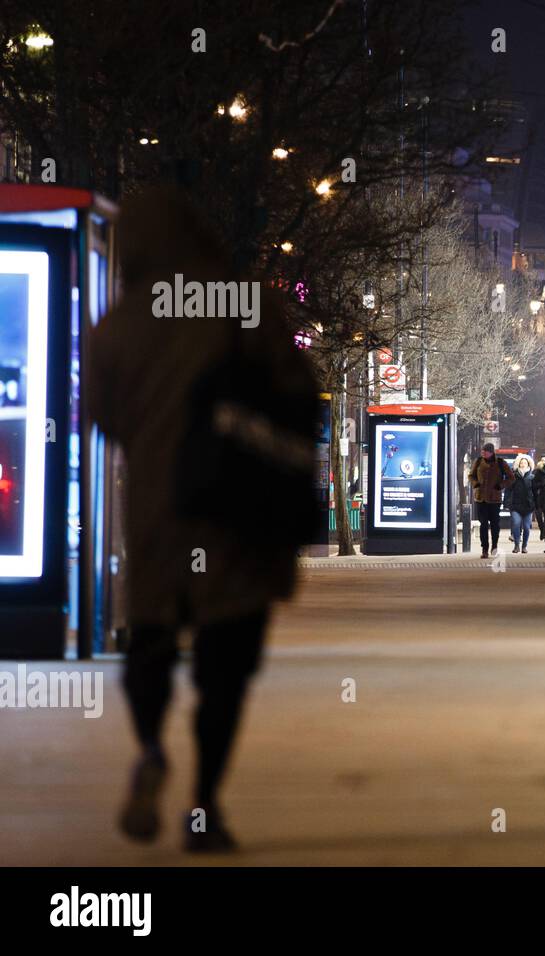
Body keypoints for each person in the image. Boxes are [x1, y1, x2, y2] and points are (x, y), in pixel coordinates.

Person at [86, 185, 319, 853]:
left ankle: (152, 747)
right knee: (228, 654)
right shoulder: (239, 305)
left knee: (152, 633)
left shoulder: (117, 325)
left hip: (159, 513)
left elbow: (103, 418)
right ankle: (205, 804)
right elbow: (295, 390)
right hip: (235, 510)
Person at [469, 442, 515, 558]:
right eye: (482, 451)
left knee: (495, 524)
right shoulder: (479, 461)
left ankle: (494, 546)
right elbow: (471, 475)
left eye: (485, 451)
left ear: (491, 452)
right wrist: (476, 484)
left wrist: (501, 486)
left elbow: (511, 477)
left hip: (494, 499)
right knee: (483, 524)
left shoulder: (500, 463)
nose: (483, 453)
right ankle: (484, 548)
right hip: (481, 499)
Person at [505, 454, 536, 553]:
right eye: (521, 463)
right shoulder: (513, 476)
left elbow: (536, 492)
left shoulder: (532, 477)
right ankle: (516, 545)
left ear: (529, 464)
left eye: (525, 463)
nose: (523, 464)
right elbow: (508, 491)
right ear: (518, 464)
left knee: (527, 527)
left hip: (528, 506)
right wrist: (507, 503)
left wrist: (536, 503)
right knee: (516, 524)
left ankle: (524, 546)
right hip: (515, 506)